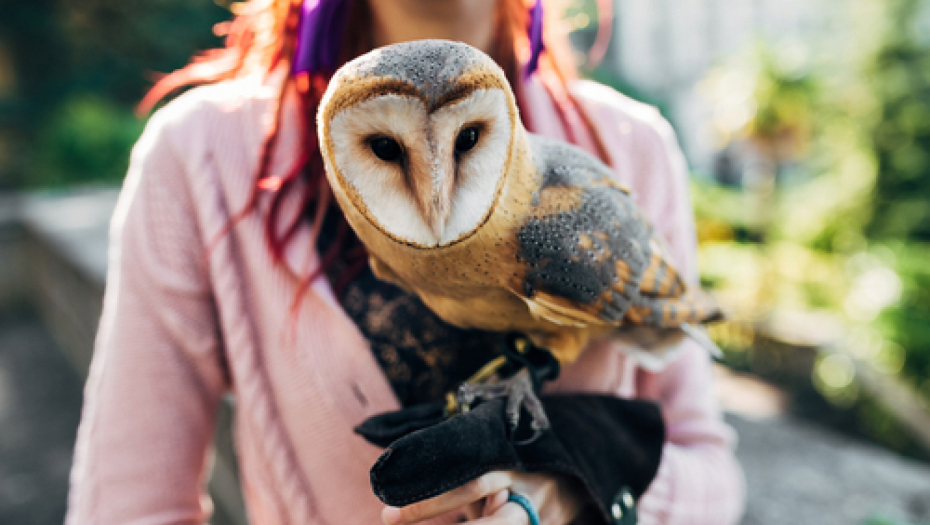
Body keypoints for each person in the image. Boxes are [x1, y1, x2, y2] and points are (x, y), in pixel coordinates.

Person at [65, 0, 745, 523]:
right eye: (389, 154)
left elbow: (708, 466)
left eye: (470, 142)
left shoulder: (625, 150)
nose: (436, 195)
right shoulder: (200, 160)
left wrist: (571, 485)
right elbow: (126, 504)